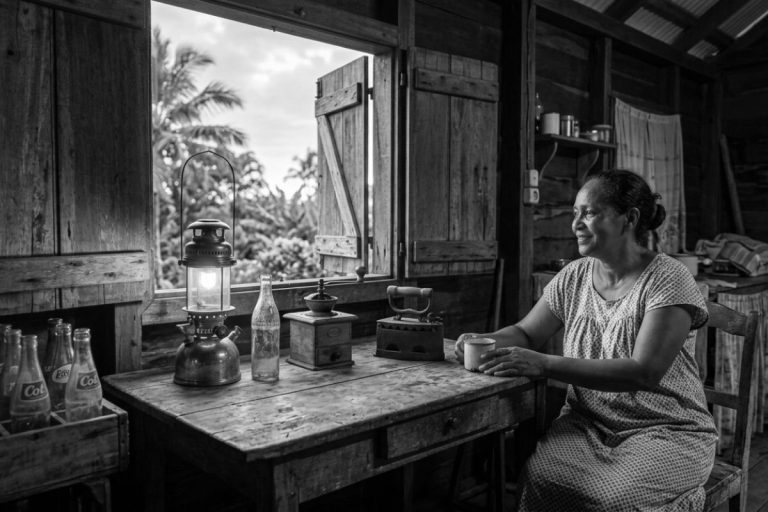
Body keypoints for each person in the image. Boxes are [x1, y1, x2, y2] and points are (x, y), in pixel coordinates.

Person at [455, 169, 717, 511]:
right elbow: (527, 332)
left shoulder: (668, 278)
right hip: (588, 423)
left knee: (613, 500)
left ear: (630, 218)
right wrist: (484, 339)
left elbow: (643, 372)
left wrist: (545, 364)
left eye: (589, 213)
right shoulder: (575, 275)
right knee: (539, 480)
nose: (576, 224)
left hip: (667, 428)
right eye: (575, 213)